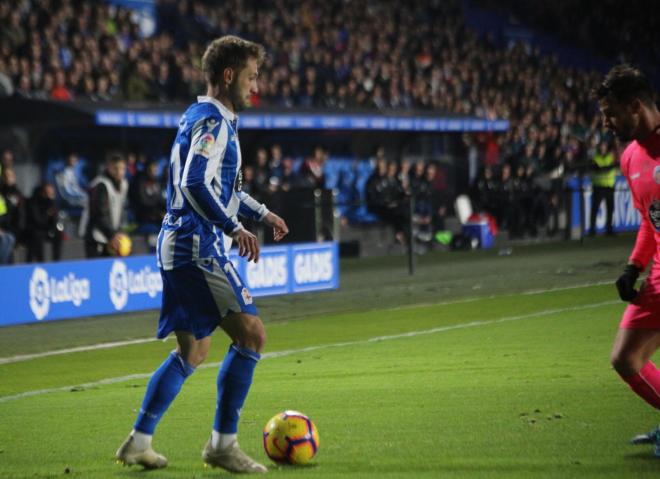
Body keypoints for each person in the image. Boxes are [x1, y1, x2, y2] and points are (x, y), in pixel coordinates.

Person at [115, 35, 289, 473]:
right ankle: (222, 444)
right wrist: (233, 226)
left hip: (175, 243)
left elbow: (224, 189)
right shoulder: (213, 121)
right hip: (197, 243)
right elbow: (195, 183)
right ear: (228, 76)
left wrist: (263, 212)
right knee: (251, 336)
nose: (256, 86)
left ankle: (139, 440)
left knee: (193, 350)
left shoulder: (204, 117)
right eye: (251, 77)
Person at [596, 64, 660, 457]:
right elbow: (649, 222)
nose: (606, 123)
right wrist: (633, 267)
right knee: (626, 358)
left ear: (636, 106)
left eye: (611, 113)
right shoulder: (630, 157)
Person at [80, 154, 129, 258]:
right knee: (95, 271)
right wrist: (112, 234)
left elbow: (121, 210)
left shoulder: (124, 184)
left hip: (110, 237)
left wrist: (119, 231)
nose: (119, 172)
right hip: (95, 237)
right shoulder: (100, 184)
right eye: (116, 168)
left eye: (122, 168)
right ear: (109, 168)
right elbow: (99, 214)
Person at [25, 182, 63, 262]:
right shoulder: (34, 204)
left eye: (52, 193)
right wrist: (48, 214)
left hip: (48, 229)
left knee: (58, 234)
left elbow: (55, 220)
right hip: (35, 229)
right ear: (42, 193)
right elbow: (38, 220)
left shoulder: (52, 203)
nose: (50, 196)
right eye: (48, 193)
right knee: (38, 236)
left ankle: (57, 261)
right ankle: (41, 261)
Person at [589, 141, 617, 236]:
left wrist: (606, 168)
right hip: (599, 187)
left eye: (604, 145)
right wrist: (608, 168)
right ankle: (592, 230)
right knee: (595, 209)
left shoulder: (610, 157)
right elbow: (598, 169)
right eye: (601, 146)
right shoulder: (595, 158)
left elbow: (613, 167)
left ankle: (609, 229)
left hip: (609, 186)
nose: (602, 147)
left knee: (610, 209)